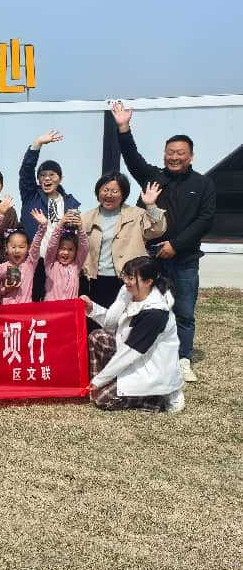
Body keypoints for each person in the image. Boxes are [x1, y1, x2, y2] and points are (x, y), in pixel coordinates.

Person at [110, 102, 216, 383]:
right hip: (151, 260)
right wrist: (123, 128)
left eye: (180, 153)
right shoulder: (153, 178)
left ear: (191, 156)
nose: (174, 157)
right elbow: (132, 158)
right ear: (164, 154)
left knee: (184, 312)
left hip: (185, 260)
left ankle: (183, 359)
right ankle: (146, 354)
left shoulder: (203, 184)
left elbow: (205, 220)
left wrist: (176, 245)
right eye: (170, 152)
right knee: (145, 309)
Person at [81, 256, 185, 413]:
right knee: (97, 337)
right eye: (125, 276)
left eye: (131, 278)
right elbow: (114, 324)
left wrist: (99, 380)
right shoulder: (129, 292)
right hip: (132, 356)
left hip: (150, 369)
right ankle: (102, 385)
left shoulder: (155, 313)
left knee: (102, 400)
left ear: (148, 282)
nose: (126, 281)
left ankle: (158, 399)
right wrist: (92, 309)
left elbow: (130, 353)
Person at [80, 173, 166, 309]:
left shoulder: (137, 215)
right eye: (105, 190)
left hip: (128, 279)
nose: (109, 195)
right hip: (94, 280)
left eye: (115, 191)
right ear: (98, 192)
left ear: (123, 194)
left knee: (125, 317)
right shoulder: (86, 218)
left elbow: (157, 230)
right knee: (95, 318)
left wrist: (151, 205)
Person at [18, 131, 81, 300]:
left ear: (60, 178)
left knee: (54, 301)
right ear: (38, 179)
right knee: (31, 300)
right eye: (43, 175)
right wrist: (37, 144)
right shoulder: (31, 196)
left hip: (58, 262)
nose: (47, 178)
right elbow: (26, 171)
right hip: (35, 260)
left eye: (52, 175)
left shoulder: (69, 203)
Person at [0, 199, 48, 305]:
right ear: (6, 248)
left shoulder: (30, 264)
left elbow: (36, 244)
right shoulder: (0, 268)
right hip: (6, 310)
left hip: (25, 310)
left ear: (28, 248)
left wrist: (43, 226)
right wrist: (6, 289)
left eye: (21, 247)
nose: (17, 250)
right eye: (13, 247)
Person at [44, 215, 89, 301]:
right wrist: (60, 225)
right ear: (56, 249)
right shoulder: (50, 264)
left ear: (76, 252)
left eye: (70, 249)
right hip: (51, 307)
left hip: (70, 307)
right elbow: (51, 246)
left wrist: (80, 229)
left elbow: (84, 248)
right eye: (62, 248)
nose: (66, 252)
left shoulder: (76, 266)